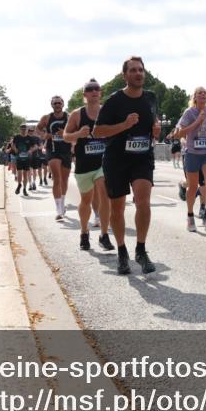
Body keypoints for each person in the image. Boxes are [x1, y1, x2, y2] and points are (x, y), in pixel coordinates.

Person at [93, 57, 161, 272]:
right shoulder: (115, 100)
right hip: (116, 159)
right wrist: (124, 125)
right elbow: (98, 131)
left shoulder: (150, 98)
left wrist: (157, 129)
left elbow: (154, 121)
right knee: (117, 207)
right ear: (125, 75)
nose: (138, 73)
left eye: (141, 70)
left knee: (143, 200)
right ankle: (122, 251)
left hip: (142, 157)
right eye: (133, 70)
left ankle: (140, 250)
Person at [64, 79, 113, 252]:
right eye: (90, 89)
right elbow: (65, 136)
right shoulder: (77, 114)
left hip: (103, 162)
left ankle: (104, 234)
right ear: (84, 94)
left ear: (100, 92)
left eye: (96, 89)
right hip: (84, 164)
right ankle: (84, 232)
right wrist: (78, 133)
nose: (94, 91)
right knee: (86, 200)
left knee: (104, 193)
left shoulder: (107, 112)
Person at [175, 86, 206, 234]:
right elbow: (180, 133)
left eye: (205, 93)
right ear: (194, 97)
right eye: (199, 93)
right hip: (192, 153)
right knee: (193, 187)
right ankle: (190, 216)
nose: (202, 95)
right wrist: (197, 122)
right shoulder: (189, 112)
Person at [39, 96, 72, 220]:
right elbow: (37, 130)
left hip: (66, 150)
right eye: (55, 103)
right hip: (52, 150)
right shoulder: (46, 118)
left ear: (63, 104)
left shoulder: (70, 117)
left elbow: (76, 131)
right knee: (56, 178)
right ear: (51, 105)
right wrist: (45, 135)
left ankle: (62, 203)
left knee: (64, 179)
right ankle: (58, 209)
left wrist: (66, 133)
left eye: (59, 103)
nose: (57, 105)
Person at [10, 124, 37, 196]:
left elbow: (35, 146)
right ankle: (19, 185)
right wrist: (15, 149)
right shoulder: (17, 137)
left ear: (27, 130)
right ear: (20, 129)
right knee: (19, 173)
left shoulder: (30, 138)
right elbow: (12, 144)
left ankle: (25, 189)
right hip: (19, 158)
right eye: (22, 129)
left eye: (25, 129)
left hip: (27, 158)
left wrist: (31, 151)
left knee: (25, 174)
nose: (23, 131)